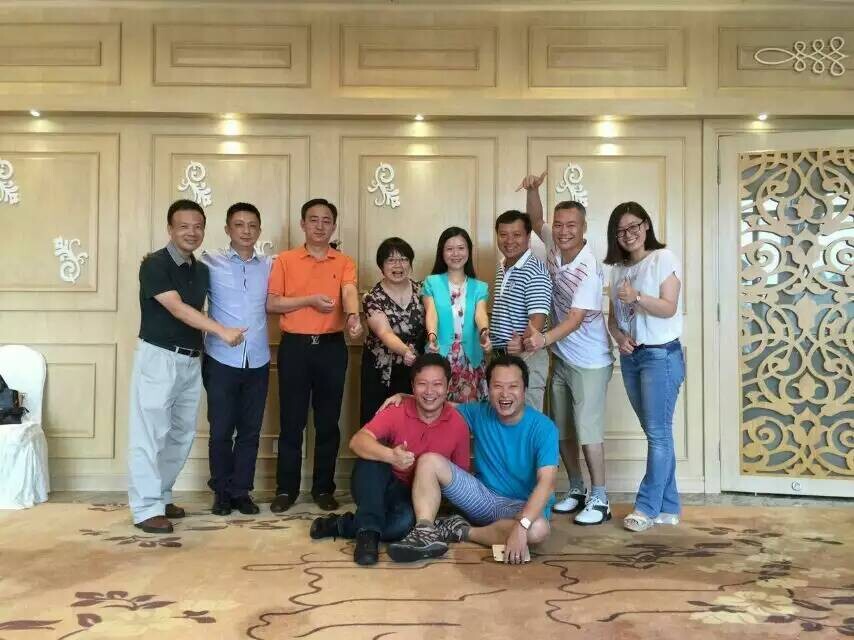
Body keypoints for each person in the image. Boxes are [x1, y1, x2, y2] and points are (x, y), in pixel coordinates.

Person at [127, 199, 245, 534]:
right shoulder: (154, 264)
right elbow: (177, 308)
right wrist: (222, 331)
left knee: (180, 434)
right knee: (149, 434)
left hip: (192, 359)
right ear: (170, 229)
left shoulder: (201, 269)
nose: (191, 232)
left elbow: (200, 310)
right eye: (183, 226)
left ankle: (162, 496)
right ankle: (145, 508)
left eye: (197, 227)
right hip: (158, 357)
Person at [384, 354, 559, 564]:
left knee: (537, 529)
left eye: (513, 386)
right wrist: (405, 396)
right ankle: (425, 531)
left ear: (524, 389)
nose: (505, 394)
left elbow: (547, 483)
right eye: (497, 386)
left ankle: (460, 530)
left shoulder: (544, 428)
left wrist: (522, 526)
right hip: (483, 498)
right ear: (488, 389)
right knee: (429, 461)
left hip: (522, 506)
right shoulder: (479, 412)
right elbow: (437, 402)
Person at [309, 353, 470, 566]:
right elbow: (357, 441)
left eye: (437, 384)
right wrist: (391, 456)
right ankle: (367, 538)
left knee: (402, 525)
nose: (429, 391)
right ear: (413, 386)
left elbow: (460, 478)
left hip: (412, 499)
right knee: (371, 457)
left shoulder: (458, 424)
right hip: (378, 485)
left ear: (448, 387)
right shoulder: (397, 410)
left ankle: (344, 525)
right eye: (422, 384)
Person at [519, 173, 615, 526]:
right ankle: (576, 488)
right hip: (561, 357)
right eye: (559, 225)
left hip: (590, 361)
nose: (562, 231)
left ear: (584, 228)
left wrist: (543, 340)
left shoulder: (589, 268)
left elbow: (575, 319)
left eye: (571, 225)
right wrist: (533, 190)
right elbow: (535, 220)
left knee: (588, 431)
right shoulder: (554, 246)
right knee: (560, 430)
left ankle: (600, 497)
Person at [266, 198, 363, 513]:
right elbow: (272, 303)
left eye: (326, 220)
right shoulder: (285, 260)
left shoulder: (344, 261)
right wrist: (308, 300)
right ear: (302, 224)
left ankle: (323, 488)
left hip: (332, 347)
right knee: (291, 422)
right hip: (294, 347)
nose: (320, 226)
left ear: (333, 226)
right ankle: (286, 490)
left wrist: (353, 315)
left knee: (328, 423)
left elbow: (349, 290)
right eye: (313, 219)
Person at [604, 201, 684, 533]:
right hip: (632, 357)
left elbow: (669, 307)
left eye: (634, 226)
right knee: (657, 432)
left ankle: (646, 506)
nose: (628, 234)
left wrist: (637, 297)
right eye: (620, 230)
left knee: (658, 433)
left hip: (661, 355)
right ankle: (669, 505)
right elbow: (613, 319)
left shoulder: (663, 258)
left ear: (646, 225)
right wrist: (619, 338)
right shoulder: (617, 270)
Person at [200, 202, 272, 517]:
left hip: (258, 359)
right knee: (220, 431)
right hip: (220, 358)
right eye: (239, 225)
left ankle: (242, 492)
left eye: (252, 225)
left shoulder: (270, 265)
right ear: (228, 229)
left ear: (259, 230)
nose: (246, 231)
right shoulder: (208, 262)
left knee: (250, 431)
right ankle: (221, 492)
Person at [488, 209, 552, 410]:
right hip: (502, 357)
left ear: (528, 236)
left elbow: (538, 320)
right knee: (503, 417)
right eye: (503, 234)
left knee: (526, 418)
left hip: (527, 357)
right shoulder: (502, 266)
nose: (509, 241)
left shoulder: (535, 271)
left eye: (516, 235)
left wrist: (522, 343)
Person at [360, 237, 426, 425]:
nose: (398, 265)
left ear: (410, 263)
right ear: (381, 265)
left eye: (403, 259)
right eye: (391, 260)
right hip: (381, 370)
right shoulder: (372, 297)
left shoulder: (423, 290)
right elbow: (385, 333)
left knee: (413, 422)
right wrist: (405, 351)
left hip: (416, 368)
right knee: (378, 423)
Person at [423, 227, 491, 402]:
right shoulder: (432, 282)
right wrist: (432, 336)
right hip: (440, 354)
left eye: (461, 248)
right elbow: (431, 313)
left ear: (468, 251)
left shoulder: (480, 287)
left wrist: (484, 331)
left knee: (469, 411)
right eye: (449, 249)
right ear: (442, 252)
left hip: (471, 359)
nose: (455, 254)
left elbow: (480, 313)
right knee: (438, 407)